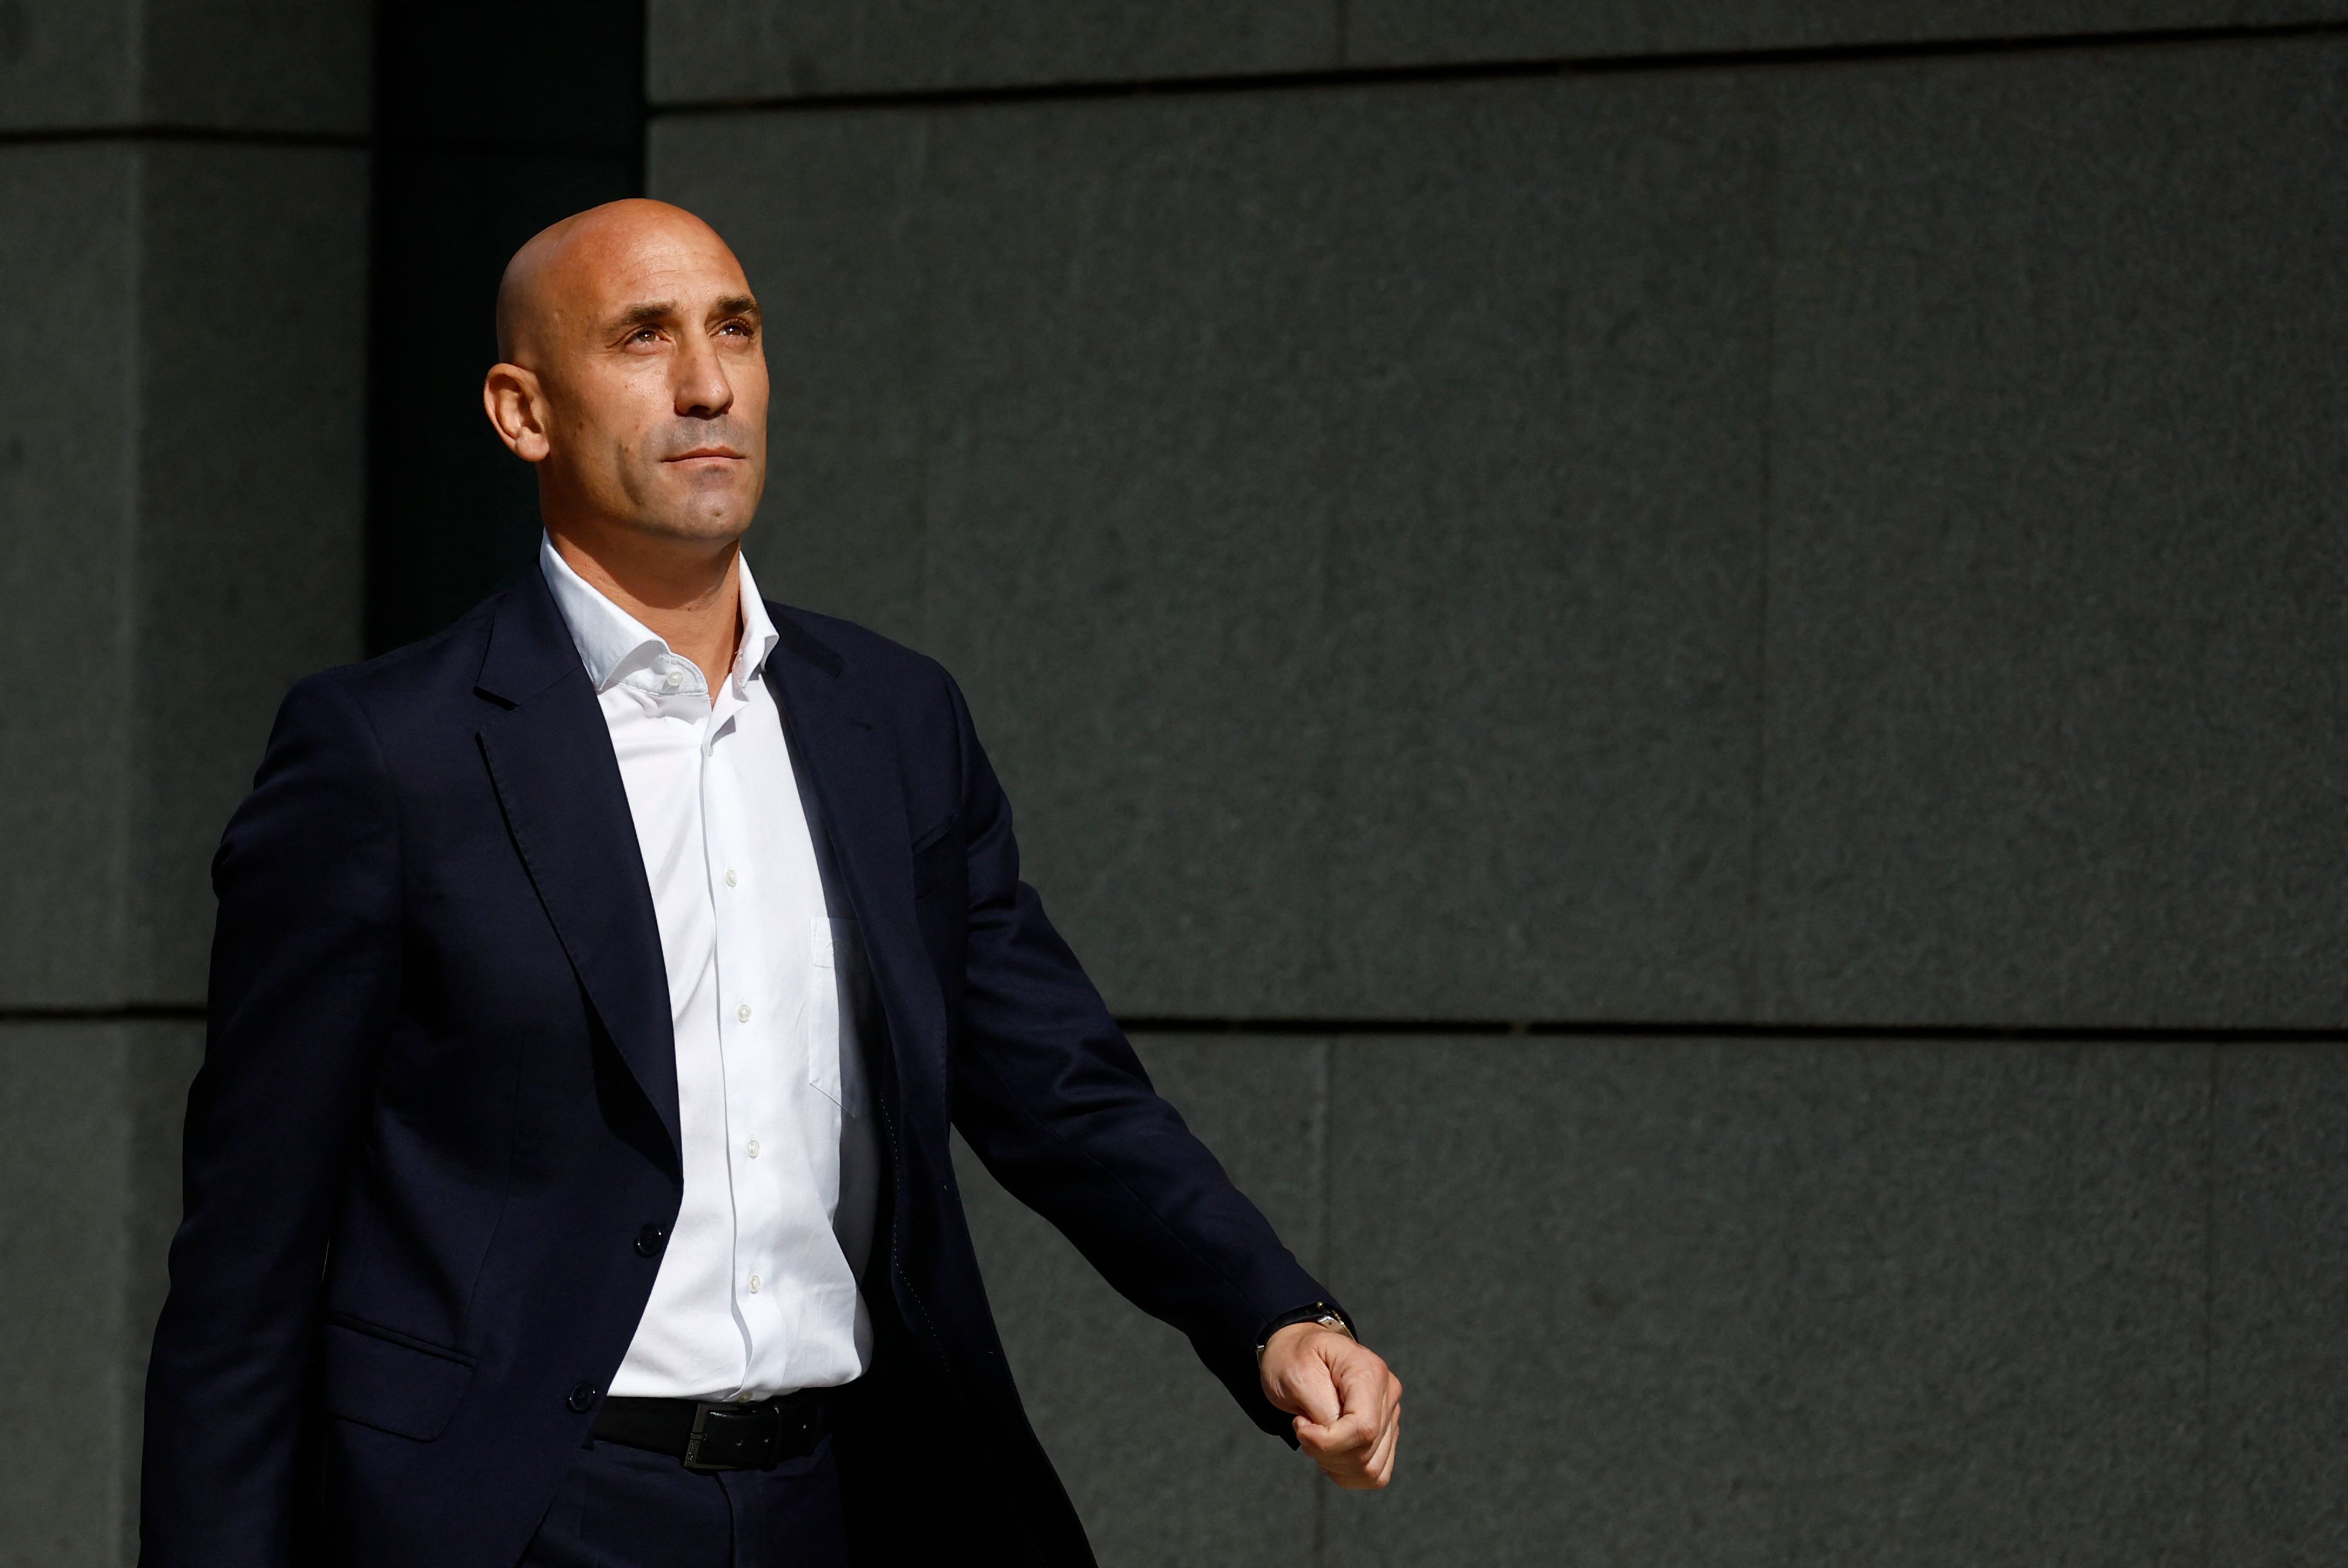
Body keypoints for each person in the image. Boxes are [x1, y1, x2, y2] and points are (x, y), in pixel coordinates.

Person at [138, 199, 1400, 1568]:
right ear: (522, 412)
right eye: (643, 338)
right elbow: (246, 1258)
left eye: (733, 329)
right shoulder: (385, 755)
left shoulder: (895, 725)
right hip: (519, 1518)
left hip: (848, 1501)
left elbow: (1059, 1085)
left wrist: (1272, 1313)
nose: (707, 382)